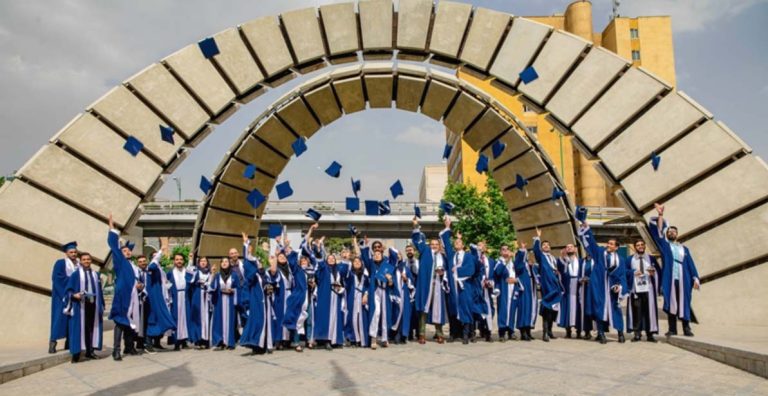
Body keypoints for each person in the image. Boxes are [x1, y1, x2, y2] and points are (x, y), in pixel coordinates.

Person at [649, 203, 700, 337]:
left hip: (684, 279)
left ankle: (686, 328)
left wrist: (695, 277)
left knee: (685, 302)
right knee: (671, 302)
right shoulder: (665, 246)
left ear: (677, 234)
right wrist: (660, 215)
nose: (672, 232)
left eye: (674, 231)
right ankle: (672, 329)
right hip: (670, 278)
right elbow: (659, 232)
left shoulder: (684, 249)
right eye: (669, 231)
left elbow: (690, 264)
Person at [579, 224, 627, 344]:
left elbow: (621, 275)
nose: (608, 245)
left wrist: (619, 286)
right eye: (608, 243)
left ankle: (620, 333)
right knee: (599, 309)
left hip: (612, 289)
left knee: (616, 310)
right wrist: (586, 229)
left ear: (616, 247)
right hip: (599, 286)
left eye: (611, 244)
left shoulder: (620, 260)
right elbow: (592, 244)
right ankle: (601, 333)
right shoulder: (600, 253)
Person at [307, 225, 348, 350]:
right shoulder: (324, 269)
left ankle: (336, 339)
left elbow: (345, 274)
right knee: (325, 318)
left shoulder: (338, 270)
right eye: (329, 258)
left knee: (336, 318)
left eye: (333, 258)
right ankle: (326, 340)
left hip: (336, 297)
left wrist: (340, 288)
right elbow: (319, 262)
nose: (330, 259)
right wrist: (319, 248)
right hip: (325, 297)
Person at [411, 217, 451, 344]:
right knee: (423, 309)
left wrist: (442, 272)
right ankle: (421, 334)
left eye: (436, 244)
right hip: (426, 285)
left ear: (439, 246)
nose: (434, 246)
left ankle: (439, 333)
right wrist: (416, 226)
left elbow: (446, 270)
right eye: (432, 244)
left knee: (437, 309)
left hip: (438, 285)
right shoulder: (425, 251)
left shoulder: (442, 257)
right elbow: (417, 241)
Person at [442, 218, 481, 345]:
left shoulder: (469, 256)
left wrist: (457, 270)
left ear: (463, 245)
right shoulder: (451, 256)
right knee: (453, 309)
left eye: (459, 241)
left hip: (465, 287)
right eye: (456, 241)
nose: (457, 243)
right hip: (453, 287)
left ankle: (467, 334)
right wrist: (448, 227)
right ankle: (454, 333)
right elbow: (446, 242)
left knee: (466, 309)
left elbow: (471, 269)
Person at [107, 214, 139, 361]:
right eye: (125, 250)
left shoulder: (132, 266)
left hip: (132, 296)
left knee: (129, 322)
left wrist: (139, 285)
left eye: (129, 251)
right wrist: (112, 228)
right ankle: (116, 350)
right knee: (120, 321)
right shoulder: (119, 260)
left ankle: (129, 346)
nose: (127, 252)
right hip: (122, 296)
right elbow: (113, 245)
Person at [64, 252, 103, 363]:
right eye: (84, 259)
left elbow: (99, 291)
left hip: (93, 305)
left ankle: (90, 351)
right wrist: (73, 295)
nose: (86, 261)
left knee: (91, 328)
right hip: (80, 306)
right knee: (78, 329)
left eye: (88, 259)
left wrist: (102, 305)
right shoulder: (76, 274)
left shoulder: (96, 274)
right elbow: (68, 290)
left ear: (91, 261)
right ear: (81, 261)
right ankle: (76, 354)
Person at [358, 235, 395, 349]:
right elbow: (364, 255)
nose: (377, 254)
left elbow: (392, 283)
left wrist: (389, 279)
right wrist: (365, 244)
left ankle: (384, 338)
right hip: (375, 291)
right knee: (376, 313)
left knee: (385, 314)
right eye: (375, 253)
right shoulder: (371, 265)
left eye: (379, 252)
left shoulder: (387, 264)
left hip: (385, 291)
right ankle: (373, 338)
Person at [532, 228, 565, 342]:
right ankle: (545, 333)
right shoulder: (541, 257)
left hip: (555, 286)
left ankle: (550, 331)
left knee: (553, 310)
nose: (546, 246)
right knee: (546, 309)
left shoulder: (553, 258)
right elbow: (536, 250)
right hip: (547, 286)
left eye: (547, 245)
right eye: (544, 245)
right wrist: (538, 238)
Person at [239, 234, 269, 355]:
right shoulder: (252, 272)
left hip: (263, 300)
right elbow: (248, 261)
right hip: (255, 299)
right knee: (256, 321)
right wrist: (246, 244)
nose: (260, 263)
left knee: (262, 321)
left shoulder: (262, 272)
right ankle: (255, 344)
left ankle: (262, 344)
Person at [625, 240, 661, 342]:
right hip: (636, 289)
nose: (640, 246)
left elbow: (658, 271)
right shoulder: (630, 259)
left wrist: (653, 273)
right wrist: (633, 272)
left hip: (648, 289)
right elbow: (624, 271)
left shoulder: (651, 258)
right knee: (637, 311)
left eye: (642, 245)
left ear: (645, 246)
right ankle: (637, 333)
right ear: (635, 247)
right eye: (638, 245)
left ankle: (650, 334)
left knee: (649, 311)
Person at [557, 243, 593, 339]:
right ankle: (568, 331)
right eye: (567, 247)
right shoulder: (562, 261)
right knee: (567, 308)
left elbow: (587, 271)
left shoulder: (581, 261)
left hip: (579, 288)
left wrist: (585, 279)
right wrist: (562, 257)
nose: (569, 248)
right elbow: (559, 270)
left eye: (571, 247)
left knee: (580, 309)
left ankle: (581, 331)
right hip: (567, 288)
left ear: (576, 249)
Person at [50, 241, 79, 354]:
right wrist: (71, 284)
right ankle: (53, 343)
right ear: (66, 253)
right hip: (61, 296)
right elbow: (57, 279)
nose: (73, 254)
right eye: (71, 252)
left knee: (72, 320)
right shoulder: (61, 263)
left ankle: (69, 342)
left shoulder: (79, 264)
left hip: (75, 297)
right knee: (58, 319)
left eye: (75, 252)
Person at [210, 257, 238, 350]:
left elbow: (239, 288)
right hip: (220, 301)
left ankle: (230, 342)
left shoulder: (234, 275)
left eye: (226, 261)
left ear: (229, 263)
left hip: (230, 301)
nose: (224, 263)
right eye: (223, 262)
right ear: (220, 264)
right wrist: (213, 274)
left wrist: (233, 290)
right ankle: (220, 341)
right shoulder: (217, 275)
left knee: (230, 321)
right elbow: (212, 288)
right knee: (219, 320)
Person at [493, 243, 519, 341]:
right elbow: (498, 272)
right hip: (504, 289)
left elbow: (520, 272)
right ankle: (502, 332)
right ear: (500, 252)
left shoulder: (513, 262)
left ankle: (511, 331)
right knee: (503, 310)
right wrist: (506, 260)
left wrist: (516, 280)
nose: (505, 251)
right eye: (503, 249)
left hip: (513, 289)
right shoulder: (498, 261)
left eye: (507, 249)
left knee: (512, 310)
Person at [167, 253, 193, 351]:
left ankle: (184, 340)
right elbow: (166, 285)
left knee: (185, 319)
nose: (179, 261)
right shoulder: (170, 273)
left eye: (181, 259)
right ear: (174, 261)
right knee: (176, 319)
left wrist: (191, 259)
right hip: (175, 297)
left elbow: (191, 276)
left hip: (185, 297)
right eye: (177, 259)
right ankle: (176, 342)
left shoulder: (186, 271)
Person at [187, 253, 213, 349]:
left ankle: (205, 340)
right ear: (198, 263)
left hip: (207, 296)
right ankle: (198, 339)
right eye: (201, 261)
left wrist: (207, 283)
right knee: (197, 317)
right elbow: (189, 274)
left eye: (205, 261)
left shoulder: (210, 272)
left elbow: (212, 284)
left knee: (206, 317)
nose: (203, 263)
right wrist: (190, 259)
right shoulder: (195, 271)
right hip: (197, 295)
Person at [390, 247, 415, 344]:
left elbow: (412, 282)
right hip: (394, 294)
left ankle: (403, 334)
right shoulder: (391, 268)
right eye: (396, 255)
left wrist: (406, 280)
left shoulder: (405, 268)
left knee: (404, 314)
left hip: (404, 294)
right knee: (395, 313)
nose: (398, 256)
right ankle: (395, 334)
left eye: (399, 254)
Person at [514, 242, 538, 341]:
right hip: (524, 289)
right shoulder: (520, 264)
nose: (526, 255)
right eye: (525, 254)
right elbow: (518, 264)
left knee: (531, 309)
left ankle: (528, 330)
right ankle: (523, 331)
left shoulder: (530, 265)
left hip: (532, 289)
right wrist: (522, 250)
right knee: (524, 309)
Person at [344, 256, 370, 347]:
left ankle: (363, 340)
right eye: (355, 261)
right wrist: (346, 260)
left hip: (363, 297)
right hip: (352, 297)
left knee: (362, 318)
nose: (357, 262)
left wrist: (366, 295)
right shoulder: (350, 274)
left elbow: (368, 286)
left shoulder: (365, 274)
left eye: (359, 261)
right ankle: (354, 339)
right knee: (353, 318)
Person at [473, 241, 495, 343]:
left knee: (488, 310)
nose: (480, 247)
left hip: (487, 290)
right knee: (475, 309)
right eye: (478, 246)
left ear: (486, 248)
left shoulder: (491, 261)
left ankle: (488, 332)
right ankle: (472, 332)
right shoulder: (473, 259)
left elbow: (494, 275)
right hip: (476, 289)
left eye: (482, 246)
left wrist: (491, 283)